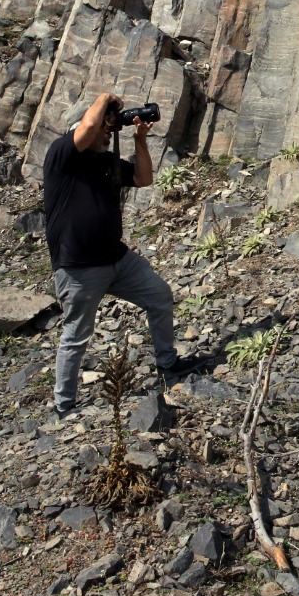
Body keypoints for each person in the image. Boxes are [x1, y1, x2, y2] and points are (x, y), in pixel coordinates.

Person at [43, 91, 176, 416]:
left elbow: (144, 178)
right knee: (76, 335)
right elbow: (88, 127)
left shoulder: (107, 162)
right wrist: (104, 99)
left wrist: (140, 139)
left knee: (159, 295)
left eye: (108, 128)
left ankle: (168, 365)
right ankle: (64, 406)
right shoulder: (62, 155)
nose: (106, 131)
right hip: (79, 268)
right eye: (104, 127)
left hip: (117, 259)